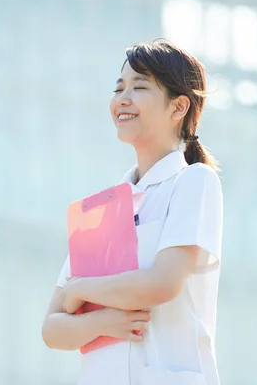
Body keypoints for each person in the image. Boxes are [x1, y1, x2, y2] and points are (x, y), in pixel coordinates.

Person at [42, 39, 224, 385]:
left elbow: (163, 283)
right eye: (118, 87)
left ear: (178, 107)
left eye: (139, 87)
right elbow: (52, 329)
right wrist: (99, 322)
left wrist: (81, 290)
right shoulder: (98, 210)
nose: (121, 99)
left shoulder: (194, 182)